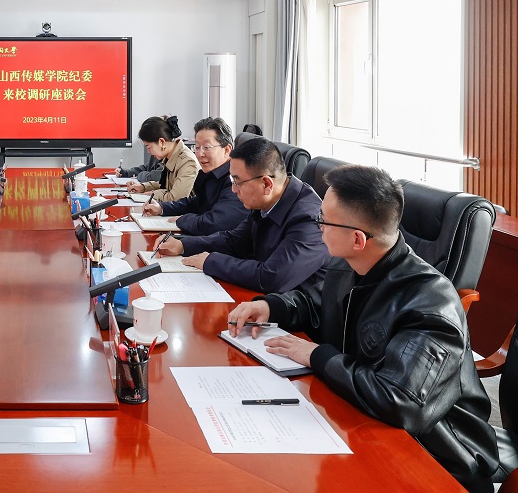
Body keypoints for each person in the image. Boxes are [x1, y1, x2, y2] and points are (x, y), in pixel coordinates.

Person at [228, 165, 499, 492]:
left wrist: (318, 356)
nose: (317, 225)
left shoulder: (431, 302)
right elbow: (316, 303)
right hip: (358, 420)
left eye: (323, 220)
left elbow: (400, 403)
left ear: (357, 239)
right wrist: (273, 306)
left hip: (436, 457)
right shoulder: (351, 264)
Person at [156, 135, 329, 294]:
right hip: (262, 299)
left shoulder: (310, 219)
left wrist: (211, 261)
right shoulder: (266, 200)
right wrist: (183, 245)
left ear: (266, 184)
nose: (233, 189)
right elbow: (235, 240)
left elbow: (272, 277)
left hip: (293, 311)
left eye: (238, 182)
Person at [142, 117, 246, 235]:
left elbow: (215, 222)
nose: (200, 154)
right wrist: (162, 208)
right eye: (197, 147)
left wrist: (183, 220)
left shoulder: (236, 180)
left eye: (206, 147)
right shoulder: (211, 174)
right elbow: (196, 203)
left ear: (227, 149)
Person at [125, 115, 199, 202]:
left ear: (161, 142)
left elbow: (176, 198)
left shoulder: (187, 162)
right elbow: (166, 185)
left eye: (149, 147)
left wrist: (153, 194)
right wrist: (143, 187)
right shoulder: (170, 156)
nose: (148, 151)